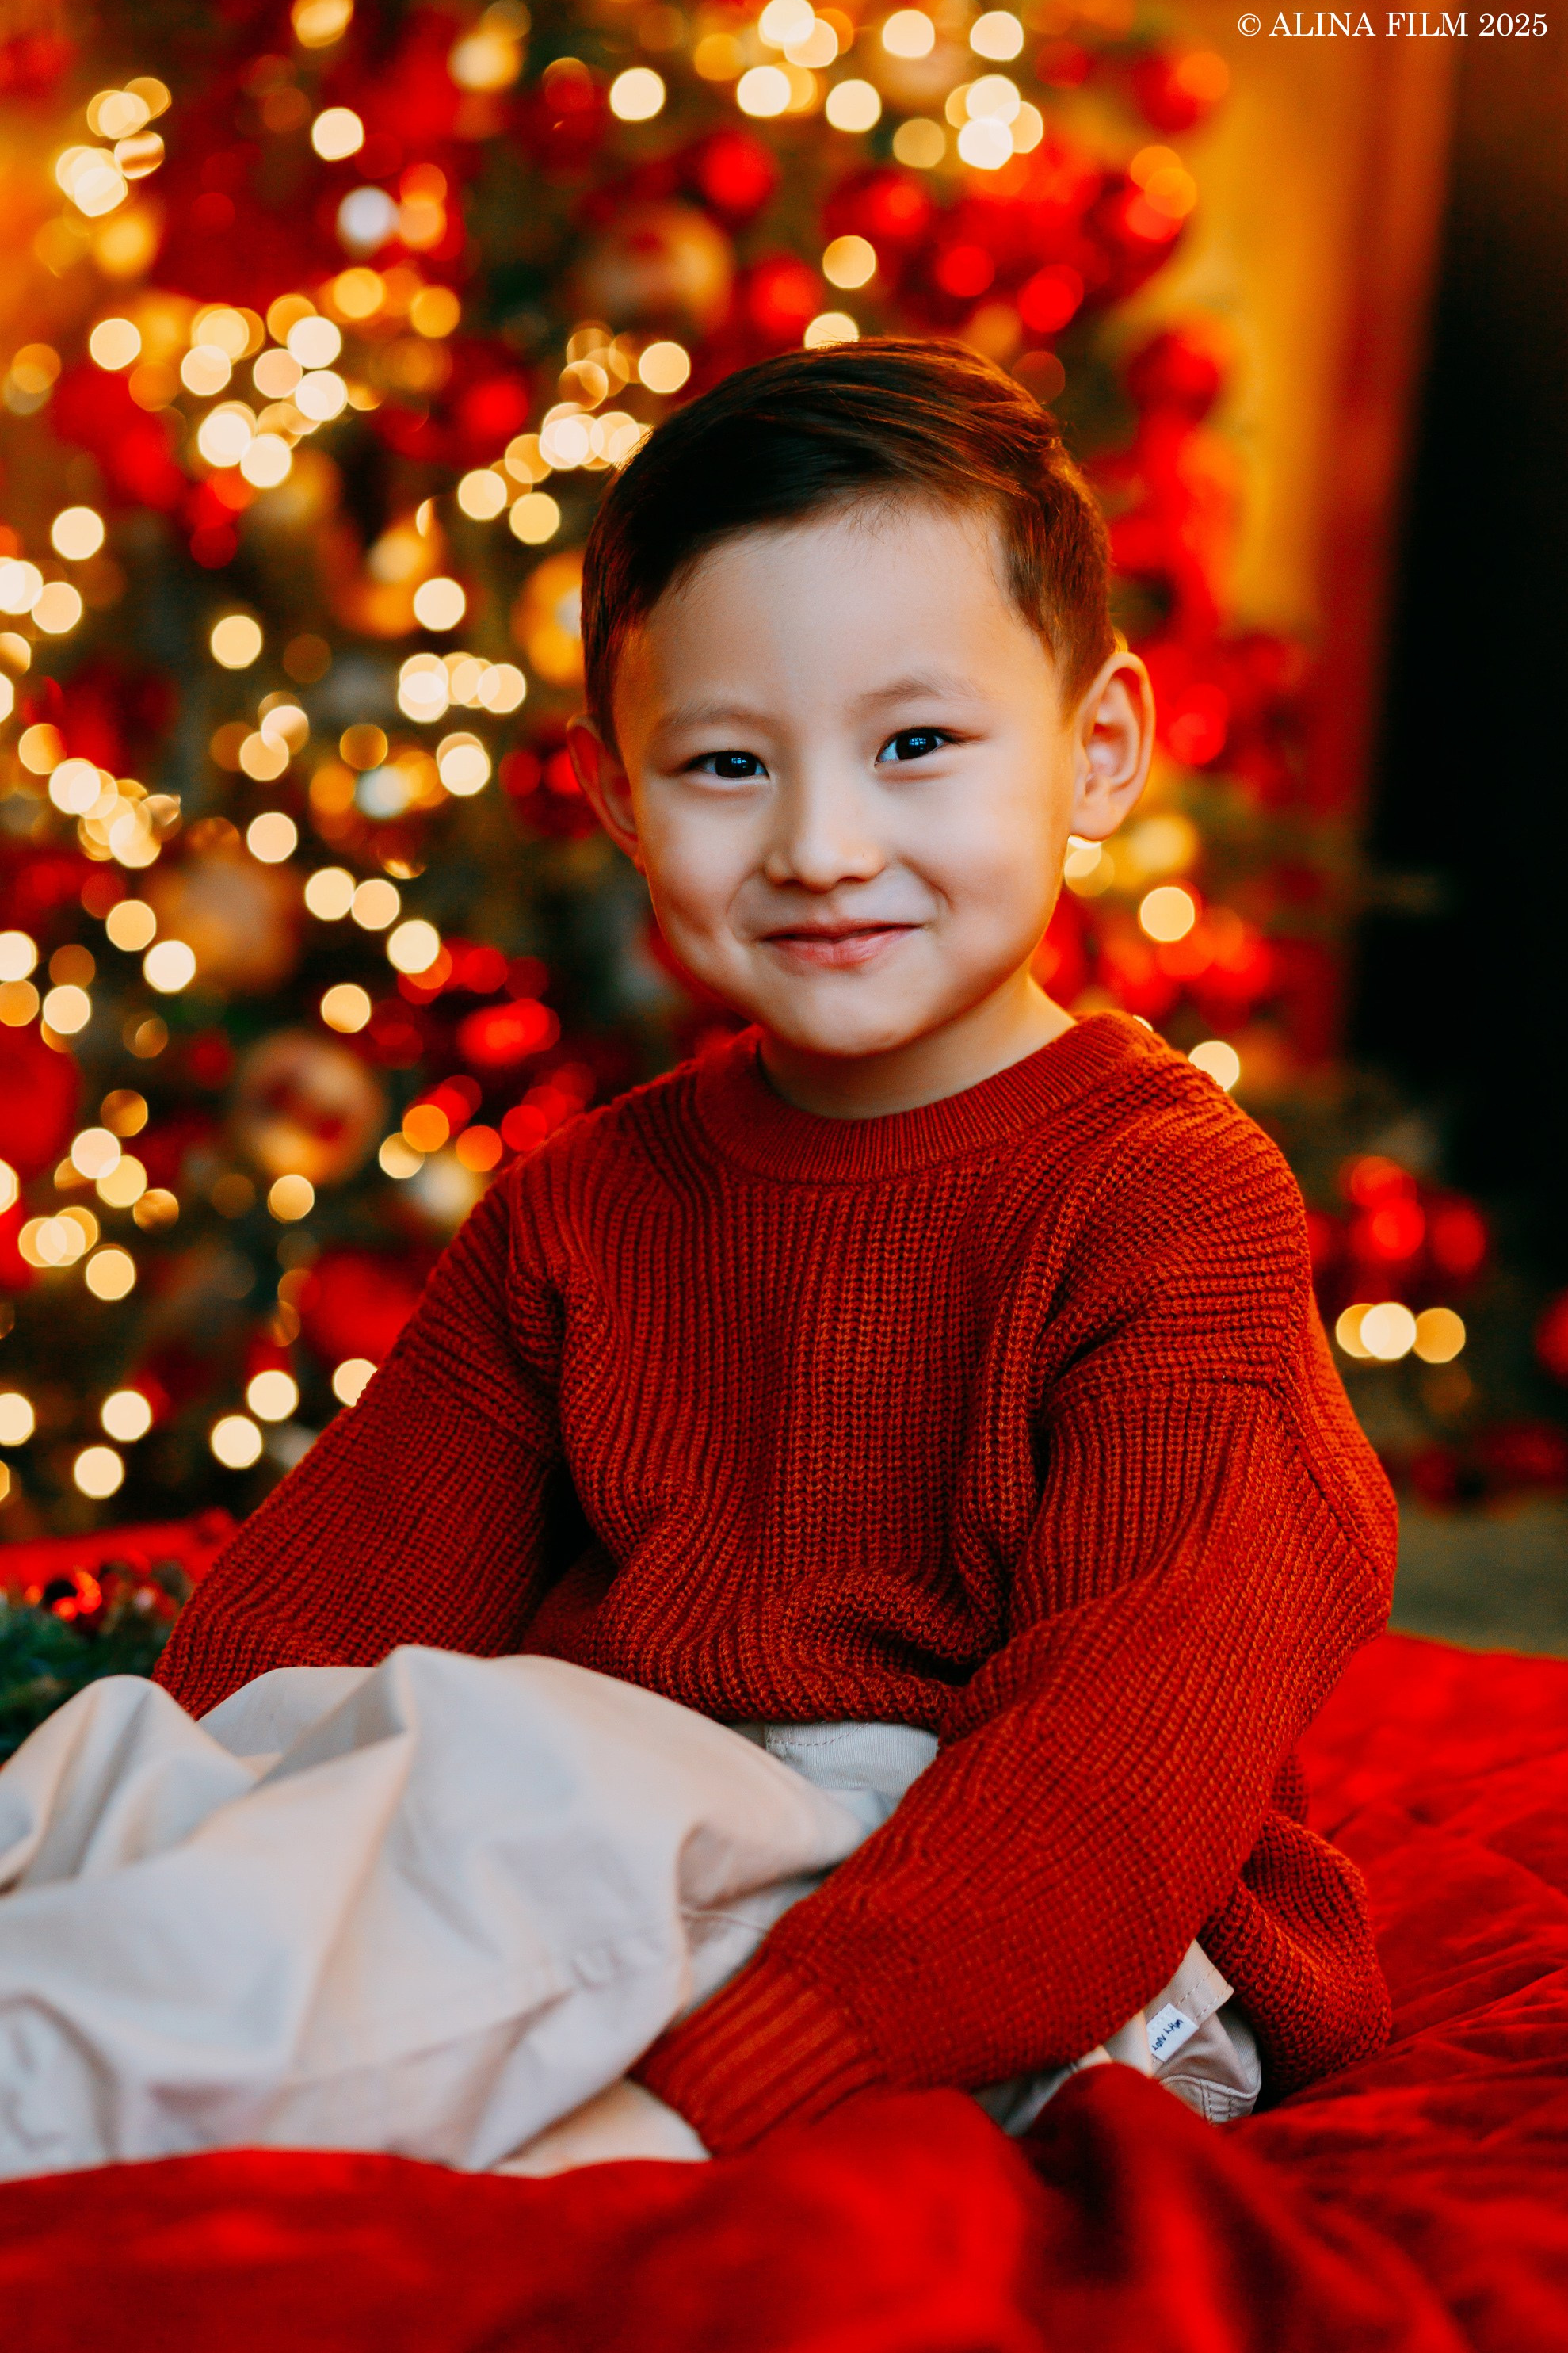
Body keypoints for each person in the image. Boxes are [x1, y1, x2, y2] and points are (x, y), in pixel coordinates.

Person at [4, 339, 1397, 2179]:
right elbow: (304, 1619)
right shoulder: (587, 1203)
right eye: (730, 764)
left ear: (1097, 753)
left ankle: (58, 2101)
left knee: (514, 1780)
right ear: (615, 798)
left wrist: (689, 2108)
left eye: (916, 745)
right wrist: (186, 1803)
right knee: (129, 1766)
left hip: (1003, 1913)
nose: (824, 847)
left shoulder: (1165, 1203)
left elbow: (1119, 1769)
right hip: (639, 1822)